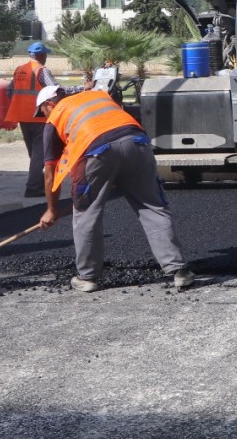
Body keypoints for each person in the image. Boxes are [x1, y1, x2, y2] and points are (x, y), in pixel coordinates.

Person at [35, 85, 194, 292]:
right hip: (137, 144)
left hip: (95, 151)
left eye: (42, 112)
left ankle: (88, 276)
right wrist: (116, 171)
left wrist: (51, 210)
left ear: (49, 104)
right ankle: (178, 270)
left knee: (87, 214)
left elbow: (49, 173)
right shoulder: (97, 96)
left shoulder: (55, 117)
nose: (43, 117)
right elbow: (118, 131)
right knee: (153, 206)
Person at [4, 41, 80, 198]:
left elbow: (9, 91)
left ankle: (36, 180)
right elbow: (56, 90)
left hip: (22, 117)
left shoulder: (20, 70)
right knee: (39, 154)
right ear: (41, 55)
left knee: (34, 153)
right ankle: (33, 187)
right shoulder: (41, 70)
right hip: (38, 116)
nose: (46, 57)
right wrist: (80, 89)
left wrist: (21, 103)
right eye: (45, 54)